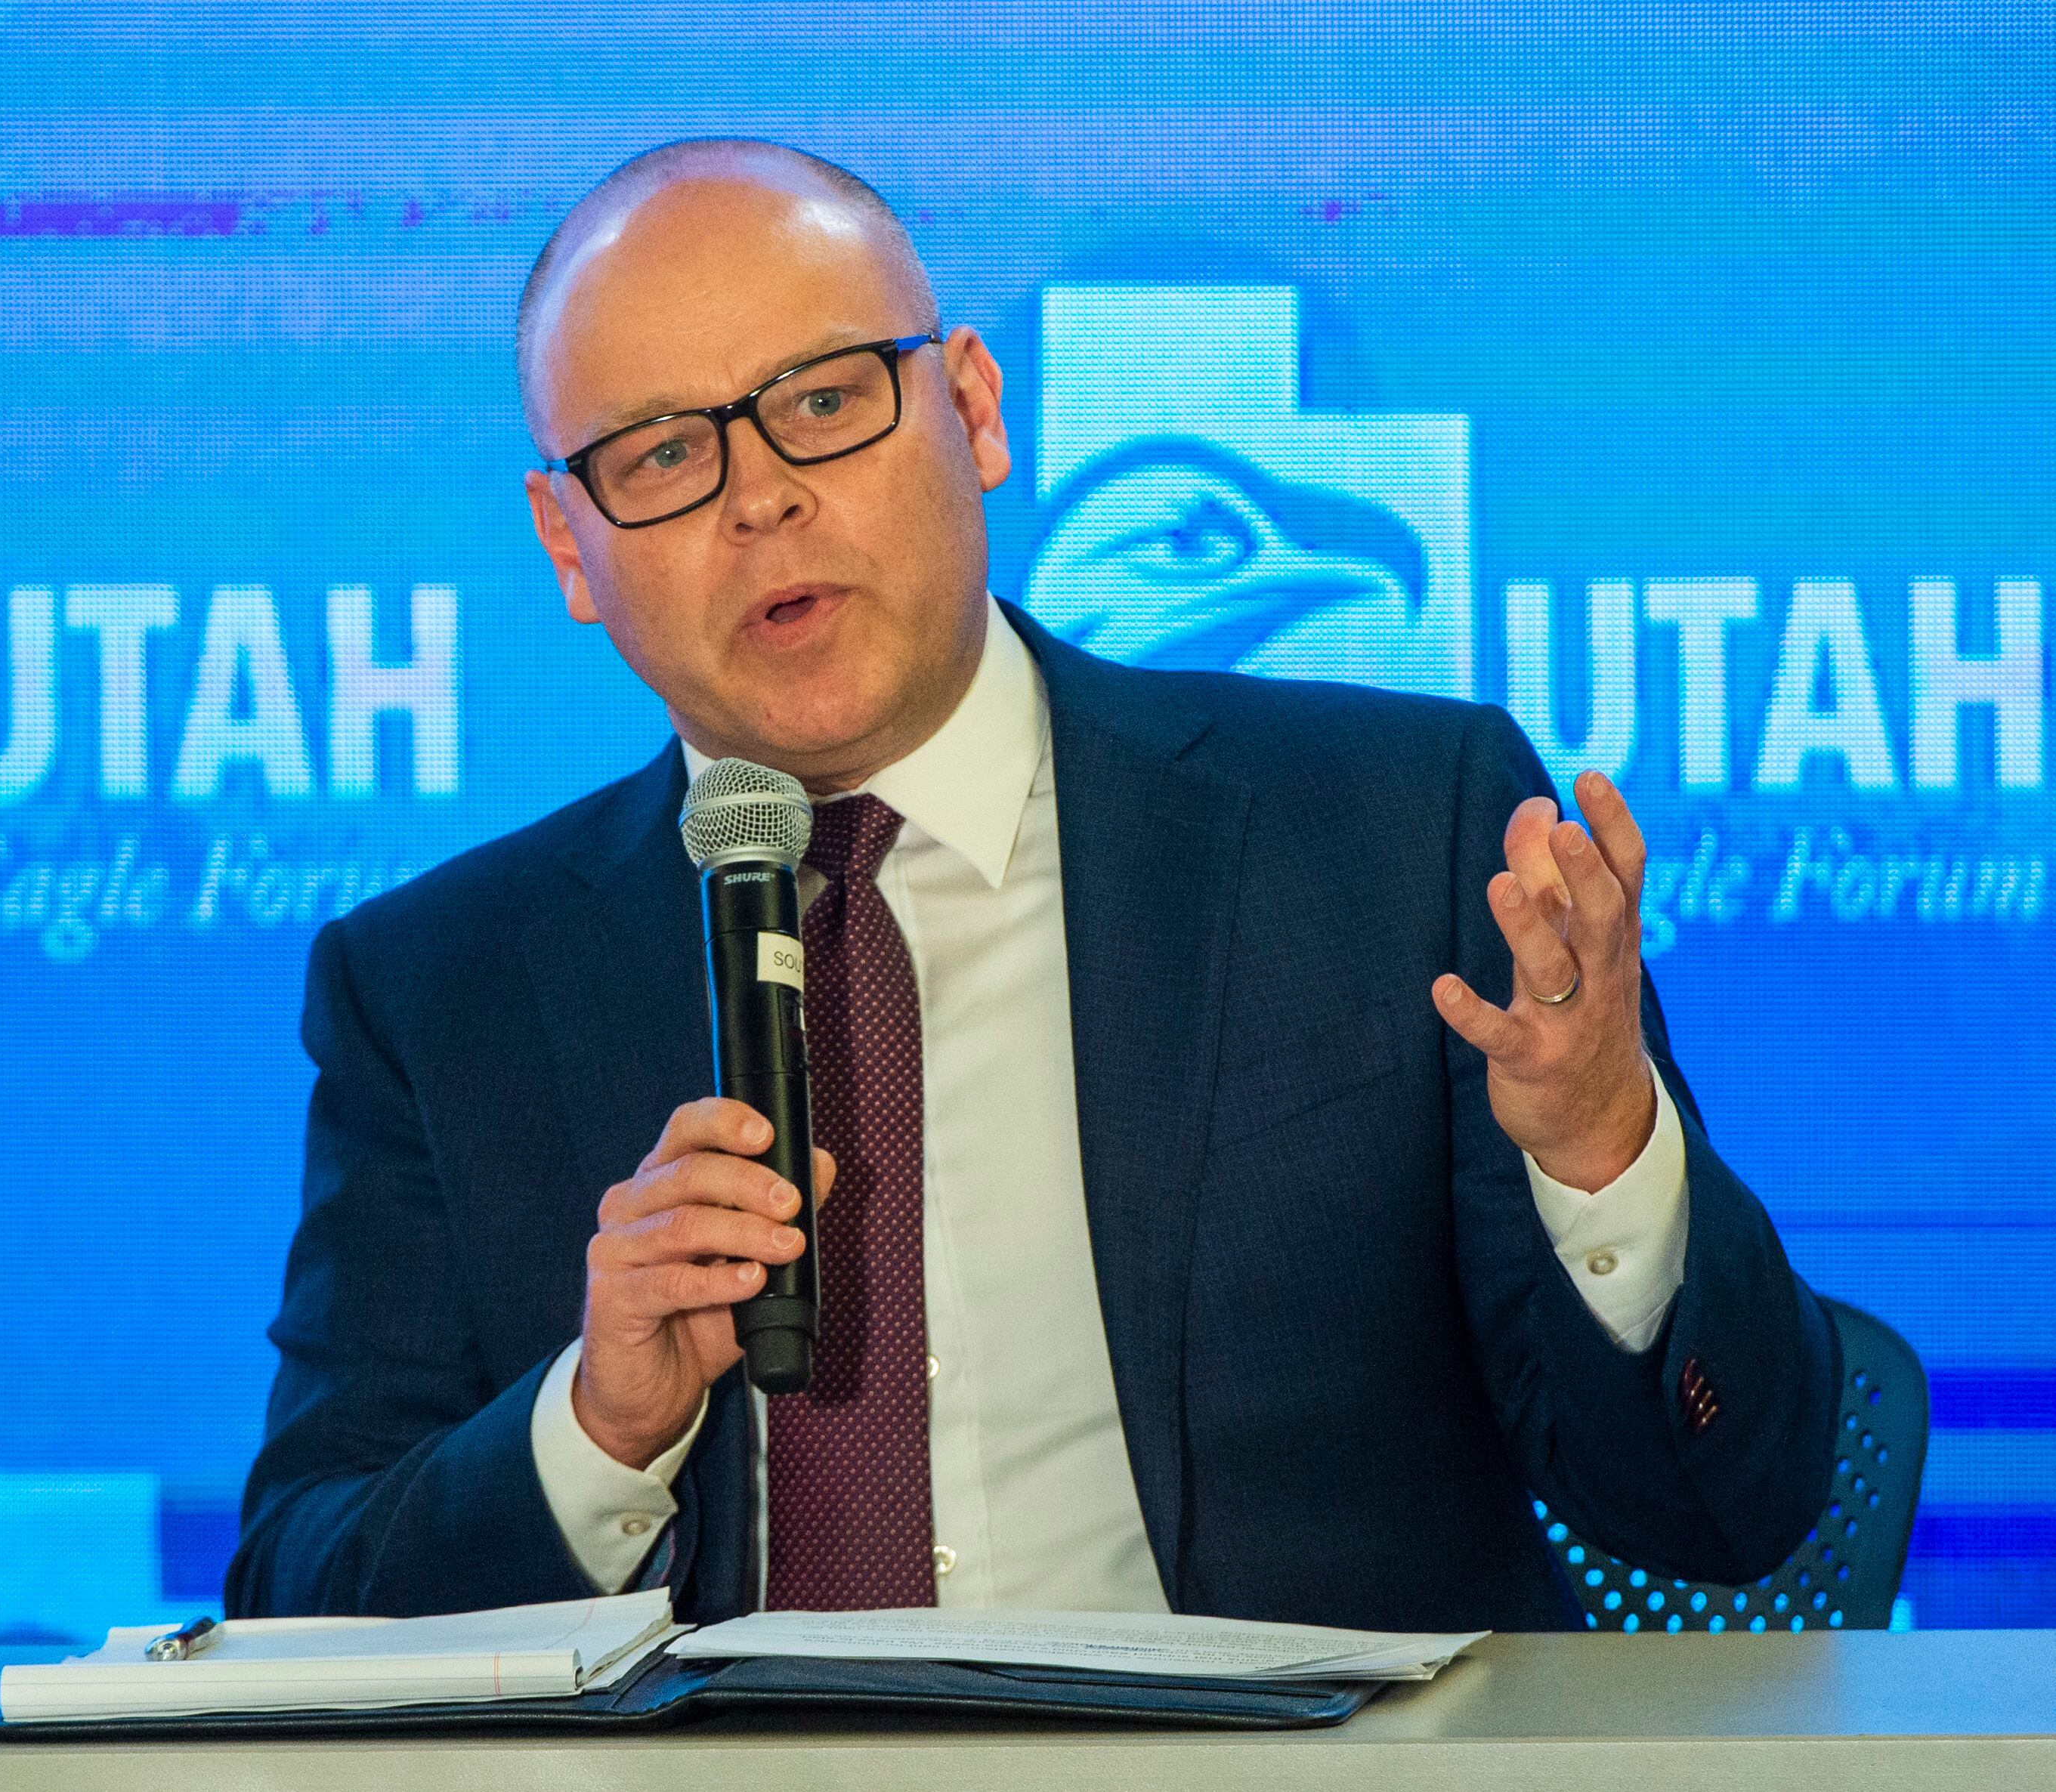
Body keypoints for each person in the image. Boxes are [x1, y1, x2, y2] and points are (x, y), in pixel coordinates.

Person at [225, 138, 1836, 1633]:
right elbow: (298, 1589)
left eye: (824, 400)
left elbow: (1722, 1508)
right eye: (661, 454)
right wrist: (596, 1424)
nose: (759, 494)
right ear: (570, 548)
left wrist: (1605, 1157)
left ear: (976, 412)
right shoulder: (440, 989)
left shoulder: (1388, 835)